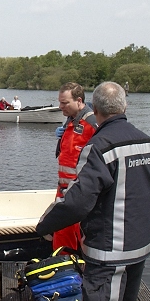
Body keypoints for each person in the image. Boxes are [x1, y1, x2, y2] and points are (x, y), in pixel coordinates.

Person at [35, 81, 150, 301]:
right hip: (140, 246)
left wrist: (45, 226)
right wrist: (144, 229)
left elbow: (79, 201)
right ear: (124, 105)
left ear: (95, 109)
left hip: (108, 251)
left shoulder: (100, 146)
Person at [53, 82, 98, 252]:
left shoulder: (92, 124)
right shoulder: (70, 121)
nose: (60, 106)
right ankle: (63, 272)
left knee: (81, 240)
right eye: (60, 102)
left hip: (80, 193)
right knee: (62, 237)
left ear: (79, 101)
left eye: (65, 103)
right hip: (64, 191)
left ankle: (79, 273)